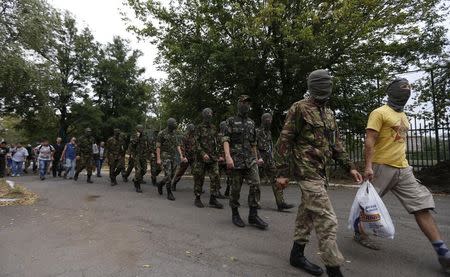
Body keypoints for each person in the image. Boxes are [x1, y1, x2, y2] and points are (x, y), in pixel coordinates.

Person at [274, 69, 362, 277]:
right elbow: (284, 141)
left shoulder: (329, 113)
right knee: (326, 219)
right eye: (321, 84)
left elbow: (336, 144)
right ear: (312, 86)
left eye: (327, 83)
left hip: (321, 173)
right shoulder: (299, 108)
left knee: (306, 216)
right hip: (306, 172)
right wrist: (281, 172)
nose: (325, 88)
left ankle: (296, 255)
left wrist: (349, 166)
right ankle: (334, 269)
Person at [361, 78, 450, 272]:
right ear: (392, 93)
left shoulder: (404, 115)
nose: (406, 93)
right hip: (381, 167)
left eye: (408, 91)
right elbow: (369, 140)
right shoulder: (379, 113)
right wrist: (368, 166)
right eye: (403, 90)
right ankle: (360, 232)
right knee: (368, 205)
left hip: (403, 169)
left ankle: (442, 251)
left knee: (421, 205)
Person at [222, 95, 268, 230]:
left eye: (248, 103)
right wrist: (228, 157)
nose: (246, 105)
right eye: (244, 102)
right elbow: (225, 139)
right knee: (235, 189)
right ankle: (235, 214)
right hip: (235, 160)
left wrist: (256, 157)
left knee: (256, 184)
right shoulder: (230, 121)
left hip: (250, 160)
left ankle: (253, 215)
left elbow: (253, 143)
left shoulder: (251, 123)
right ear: (239, 104)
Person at [256, 113, 294, 211]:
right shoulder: (257, 131)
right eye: (266, 119)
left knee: (277, 180)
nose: (268, 121)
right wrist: (258, 157)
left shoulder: (268, 133)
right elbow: (253, 146)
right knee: (256, 182)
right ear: (262, 120)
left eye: (270, 119)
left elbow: (270, 146)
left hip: (269, 160)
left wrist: (273, 157)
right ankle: (254, 202)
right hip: (259, 161)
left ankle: (281, 203)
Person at [192, 108, 224, 209]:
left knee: (216, 176)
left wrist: (219, 155)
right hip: (201, 158)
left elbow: (217, 142)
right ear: (204, 115)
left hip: (213, 158)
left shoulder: (214, 128)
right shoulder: (199, 128)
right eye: (207, 114)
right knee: (199, 178)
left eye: (211, 114)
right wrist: (202, 153)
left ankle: (213, 199)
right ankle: (197, 198)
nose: (209, 116)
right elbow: (196, 143)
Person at [156, 118, 186, 201]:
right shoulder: (161, 133)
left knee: (172, 175)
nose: (176, 124)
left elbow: (177, 145)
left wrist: (181, 155)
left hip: (174, 156)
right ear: (170, 124)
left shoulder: (174, 133)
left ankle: (160, 184)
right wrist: (158, 159)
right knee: (168, 174)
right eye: (175, 123)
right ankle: (169, 193)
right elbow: (158, 147)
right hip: (165, 156)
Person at [170, 123, 196, 191]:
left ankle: (198, 187)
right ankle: (174, 184)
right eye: (191, 129)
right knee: (180, 172)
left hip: (193, 157)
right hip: (186, 157)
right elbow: (182, 147)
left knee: (196, 172)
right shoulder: (184, 136)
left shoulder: (195, 136)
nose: (192, 131)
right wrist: (183, 157)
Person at [129, 125, 148, 193]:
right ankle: (138, 186)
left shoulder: (145, 136)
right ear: (137, 129)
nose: (141, 129)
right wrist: (137, 136)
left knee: (145, 170)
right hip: (136, 155)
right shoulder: (134, 136)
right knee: (138, 170)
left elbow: (146, 145)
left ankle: (135, 179)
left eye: (142, 128)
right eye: (140, 128)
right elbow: (133, 144)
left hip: (143, 155)